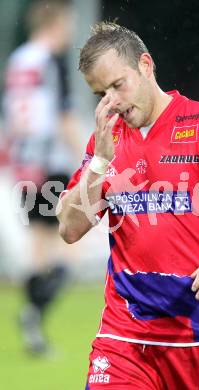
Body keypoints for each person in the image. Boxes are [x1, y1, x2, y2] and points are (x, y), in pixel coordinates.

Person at [57, 22, 199, 389]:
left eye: (117, 85)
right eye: (101, 93)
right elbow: (70, 228)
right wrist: (99, 163)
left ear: (145, 65)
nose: (113, 102)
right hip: (124, 336)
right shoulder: (105, 142)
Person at [2, 0, 81, 355]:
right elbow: (61, 117)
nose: (70, 32)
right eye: (67, 24)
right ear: (56, 23)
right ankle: (34, 314)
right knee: (69, 251)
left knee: (39, 250)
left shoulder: (18, 59)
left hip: (24, 164)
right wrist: (89, 158)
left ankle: (33, 328)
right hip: (51, 162)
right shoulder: (51, 61)